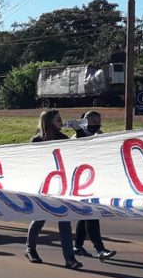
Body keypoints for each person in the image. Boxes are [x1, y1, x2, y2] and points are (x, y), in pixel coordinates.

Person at [25, 109, 81, 269]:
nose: (61, 122)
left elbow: (80, 150)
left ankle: (70, 259)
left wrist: (78, 130)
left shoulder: (63, 138)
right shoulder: (37, 140)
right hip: (43, 186)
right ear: (49, 121)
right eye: (58, 119)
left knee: (64, 221)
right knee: (39, 219)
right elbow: (32, 163)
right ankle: (30, 249)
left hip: (60, 186)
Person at [71, 111, 116, 261]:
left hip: (95, 181)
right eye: (93, 121)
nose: (96, 124)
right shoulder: (77, 136)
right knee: (92, 214)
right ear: (84, 122)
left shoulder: (101, 135)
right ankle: (100, 249)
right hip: (81, 183)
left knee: (85, 215)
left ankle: (77, 246)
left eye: (98, 120)